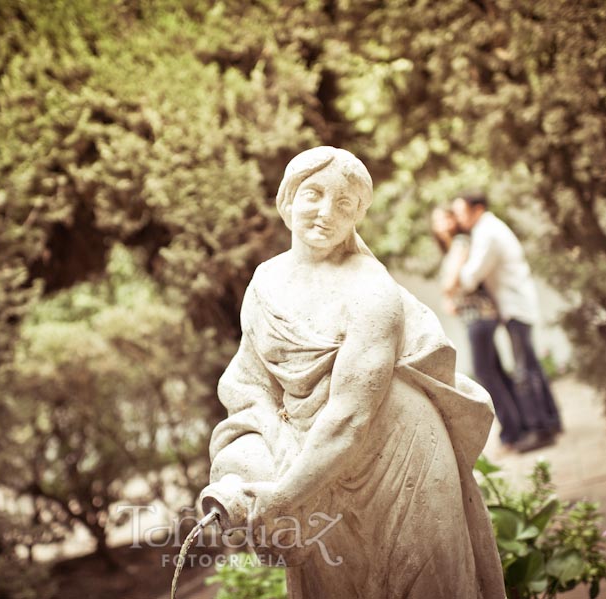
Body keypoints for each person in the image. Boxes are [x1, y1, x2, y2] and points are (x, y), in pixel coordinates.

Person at [199, 148, 505, 599]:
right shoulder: (264, 282)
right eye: (313, 194)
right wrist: (260, 454)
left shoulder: (371, 291)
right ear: (287, 198)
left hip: (399, 457)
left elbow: (349, 418)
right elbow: (250, 382)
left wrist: (283, 496)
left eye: (344, 204)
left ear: (357, 215)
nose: (325, 212)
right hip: (312, 460)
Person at [452, 192, 562, 452]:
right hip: (517, 305)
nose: (458, 218)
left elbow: (470, 275)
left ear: (477, 209)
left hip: (514, 307)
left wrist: (457, 266)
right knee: (532, 366)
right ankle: (551, 422)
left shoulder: (486, 232)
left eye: (461, 212)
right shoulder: (490, 228)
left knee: (524, 370)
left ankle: (539, 431)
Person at [431, 207, 528, 448]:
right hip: (473, 317)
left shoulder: (462, 241)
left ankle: (512, 431)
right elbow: (451, 287)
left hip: (481, 317)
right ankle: (519, 426)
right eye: (437, 220)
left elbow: (449, 282)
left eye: (447, 217)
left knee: (483, 371)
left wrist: (449, 291)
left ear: (455, 220)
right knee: (494, 370)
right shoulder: (452, 248)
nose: (443, 223)